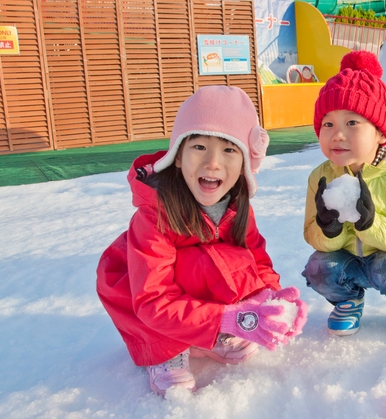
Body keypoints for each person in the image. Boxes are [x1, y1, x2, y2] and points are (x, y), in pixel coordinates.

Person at [96, 86, 307, 396]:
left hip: (187, 290)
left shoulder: (236, 208)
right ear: (178, 156)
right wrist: (228, 318)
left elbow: (257, 262)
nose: (212, 162)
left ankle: (209, 337)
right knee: (196, 261)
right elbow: (153, 300)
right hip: (136, 292)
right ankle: (166, 351)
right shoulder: (155, 216)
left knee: (230, 258)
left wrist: (272, 299)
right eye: (199, 146)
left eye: (229, 149)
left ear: (244, 164)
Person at [301, 51, 386, 336]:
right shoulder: (321, 177)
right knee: (317, 267)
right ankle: (347, 300)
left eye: (352, 123)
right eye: (328, 124)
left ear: (380, 133)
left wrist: (370, 224)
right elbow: (311, 234)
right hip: (347, 260)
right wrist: (328, 229)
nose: (338, 134)